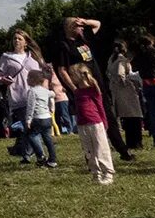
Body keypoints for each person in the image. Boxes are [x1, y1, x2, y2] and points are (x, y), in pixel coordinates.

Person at [52, 17, 133, 161]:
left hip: (97, 86)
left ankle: (123, 151)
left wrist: (84, 21)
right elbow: (62, 70)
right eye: (78, 26)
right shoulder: (64, 45)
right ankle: (91, 156)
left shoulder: (83, 40)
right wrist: (74, 89)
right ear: (70, 27)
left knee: (109, 118)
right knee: (91, 122)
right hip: (83, 90)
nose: (82, 28)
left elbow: (98, 24)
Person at [0, 30, 43, 161]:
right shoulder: (6, 58)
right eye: (14, 38)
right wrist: (2, 79)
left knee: (36, 125)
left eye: (20, 39)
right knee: (26, 127)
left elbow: (41, 74)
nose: (16, 41)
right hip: (18, 96)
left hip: (35, 95)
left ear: (26, 42)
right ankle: (31, 153)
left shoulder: (33, 57)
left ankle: (27, 152)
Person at [70, 66, 114, 184]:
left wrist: (104, 122)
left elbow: (100, 106)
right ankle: (96, 173)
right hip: (82, 124)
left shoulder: (93, 90)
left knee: (101, 148)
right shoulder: (77, 92)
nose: (71, 77)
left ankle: (108, 173)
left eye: (72, 75)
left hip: (95, 122)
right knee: (89, 150)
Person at [107, 37, 145, 151]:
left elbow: (108, 72)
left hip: (115, 89)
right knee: (134, 116)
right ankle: (136, 142)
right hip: (126, 91)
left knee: (126, 118)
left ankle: (130, 141)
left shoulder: (111, 59)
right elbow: (120, 73)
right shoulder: (122, 60)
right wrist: (126, 82)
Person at [23, 69, 58, 168]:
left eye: (28, 78)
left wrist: (28, 119)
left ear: (33, 80)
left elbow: (31, 106)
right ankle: (53, 160)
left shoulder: (32, 91)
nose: (27, 80)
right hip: (47, 118)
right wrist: (51, 106)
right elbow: (53, 94)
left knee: (32, 136)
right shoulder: (46, 91)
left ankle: (41, 156)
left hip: (37, 118)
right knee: (48, 139)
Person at [134, 34, 155, 147]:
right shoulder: (154, 53)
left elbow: (134, 68)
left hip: (146, 85)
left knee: (153, 115)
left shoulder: (138, 55)